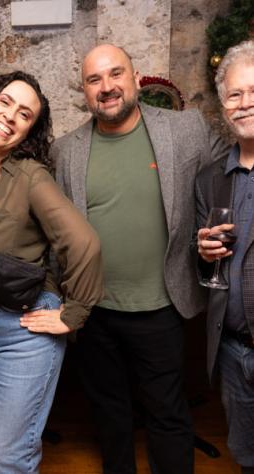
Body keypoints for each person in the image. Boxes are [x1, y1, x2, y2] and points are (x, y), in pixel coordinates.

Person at [50, 43, 230, 474]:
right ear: (83, 90)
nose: (107, 87)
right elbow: (56, 231)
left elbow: (232, 169)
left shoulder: (185, 129)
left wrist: (215, 228)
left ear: (135, 78)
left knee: (167, 413)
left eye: (116, 74)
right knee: (109, 416)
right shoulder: (66, 150)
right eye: (94, 79)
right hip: (94, 309)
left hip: (161, 303)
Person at [0, 70, 103, 473]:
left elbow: (84, 244)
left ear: (29, 130)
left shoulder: (30, 177)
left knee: (9, 455)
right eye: (5, 102)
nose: (9, 115)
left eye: (24, 114)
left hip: (22, 329)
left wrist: (72, 314)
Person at [196, 39, 254, 474]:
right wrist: (202, 253)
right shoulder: (211, 179)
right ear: (222, 105)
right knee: (247, 455)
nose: (245, 104)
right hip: (233, 351)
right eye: (235, 94)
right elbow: (207, 267)